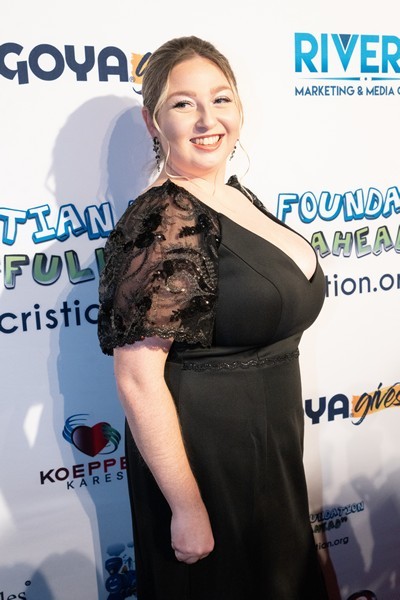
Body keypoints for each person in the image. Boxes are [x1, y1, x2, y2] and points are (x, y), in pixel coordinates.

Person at [98, 35, 328, 599]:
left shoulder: (235, 197)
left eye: (221, 99)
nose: (207, 119)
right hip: (204, 462)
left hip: (269, 452)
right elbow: (137, 378)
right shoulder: (164, 218)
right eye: (183, 103)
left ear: (239, 109)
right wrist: (187, 507)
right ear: (154, 122)